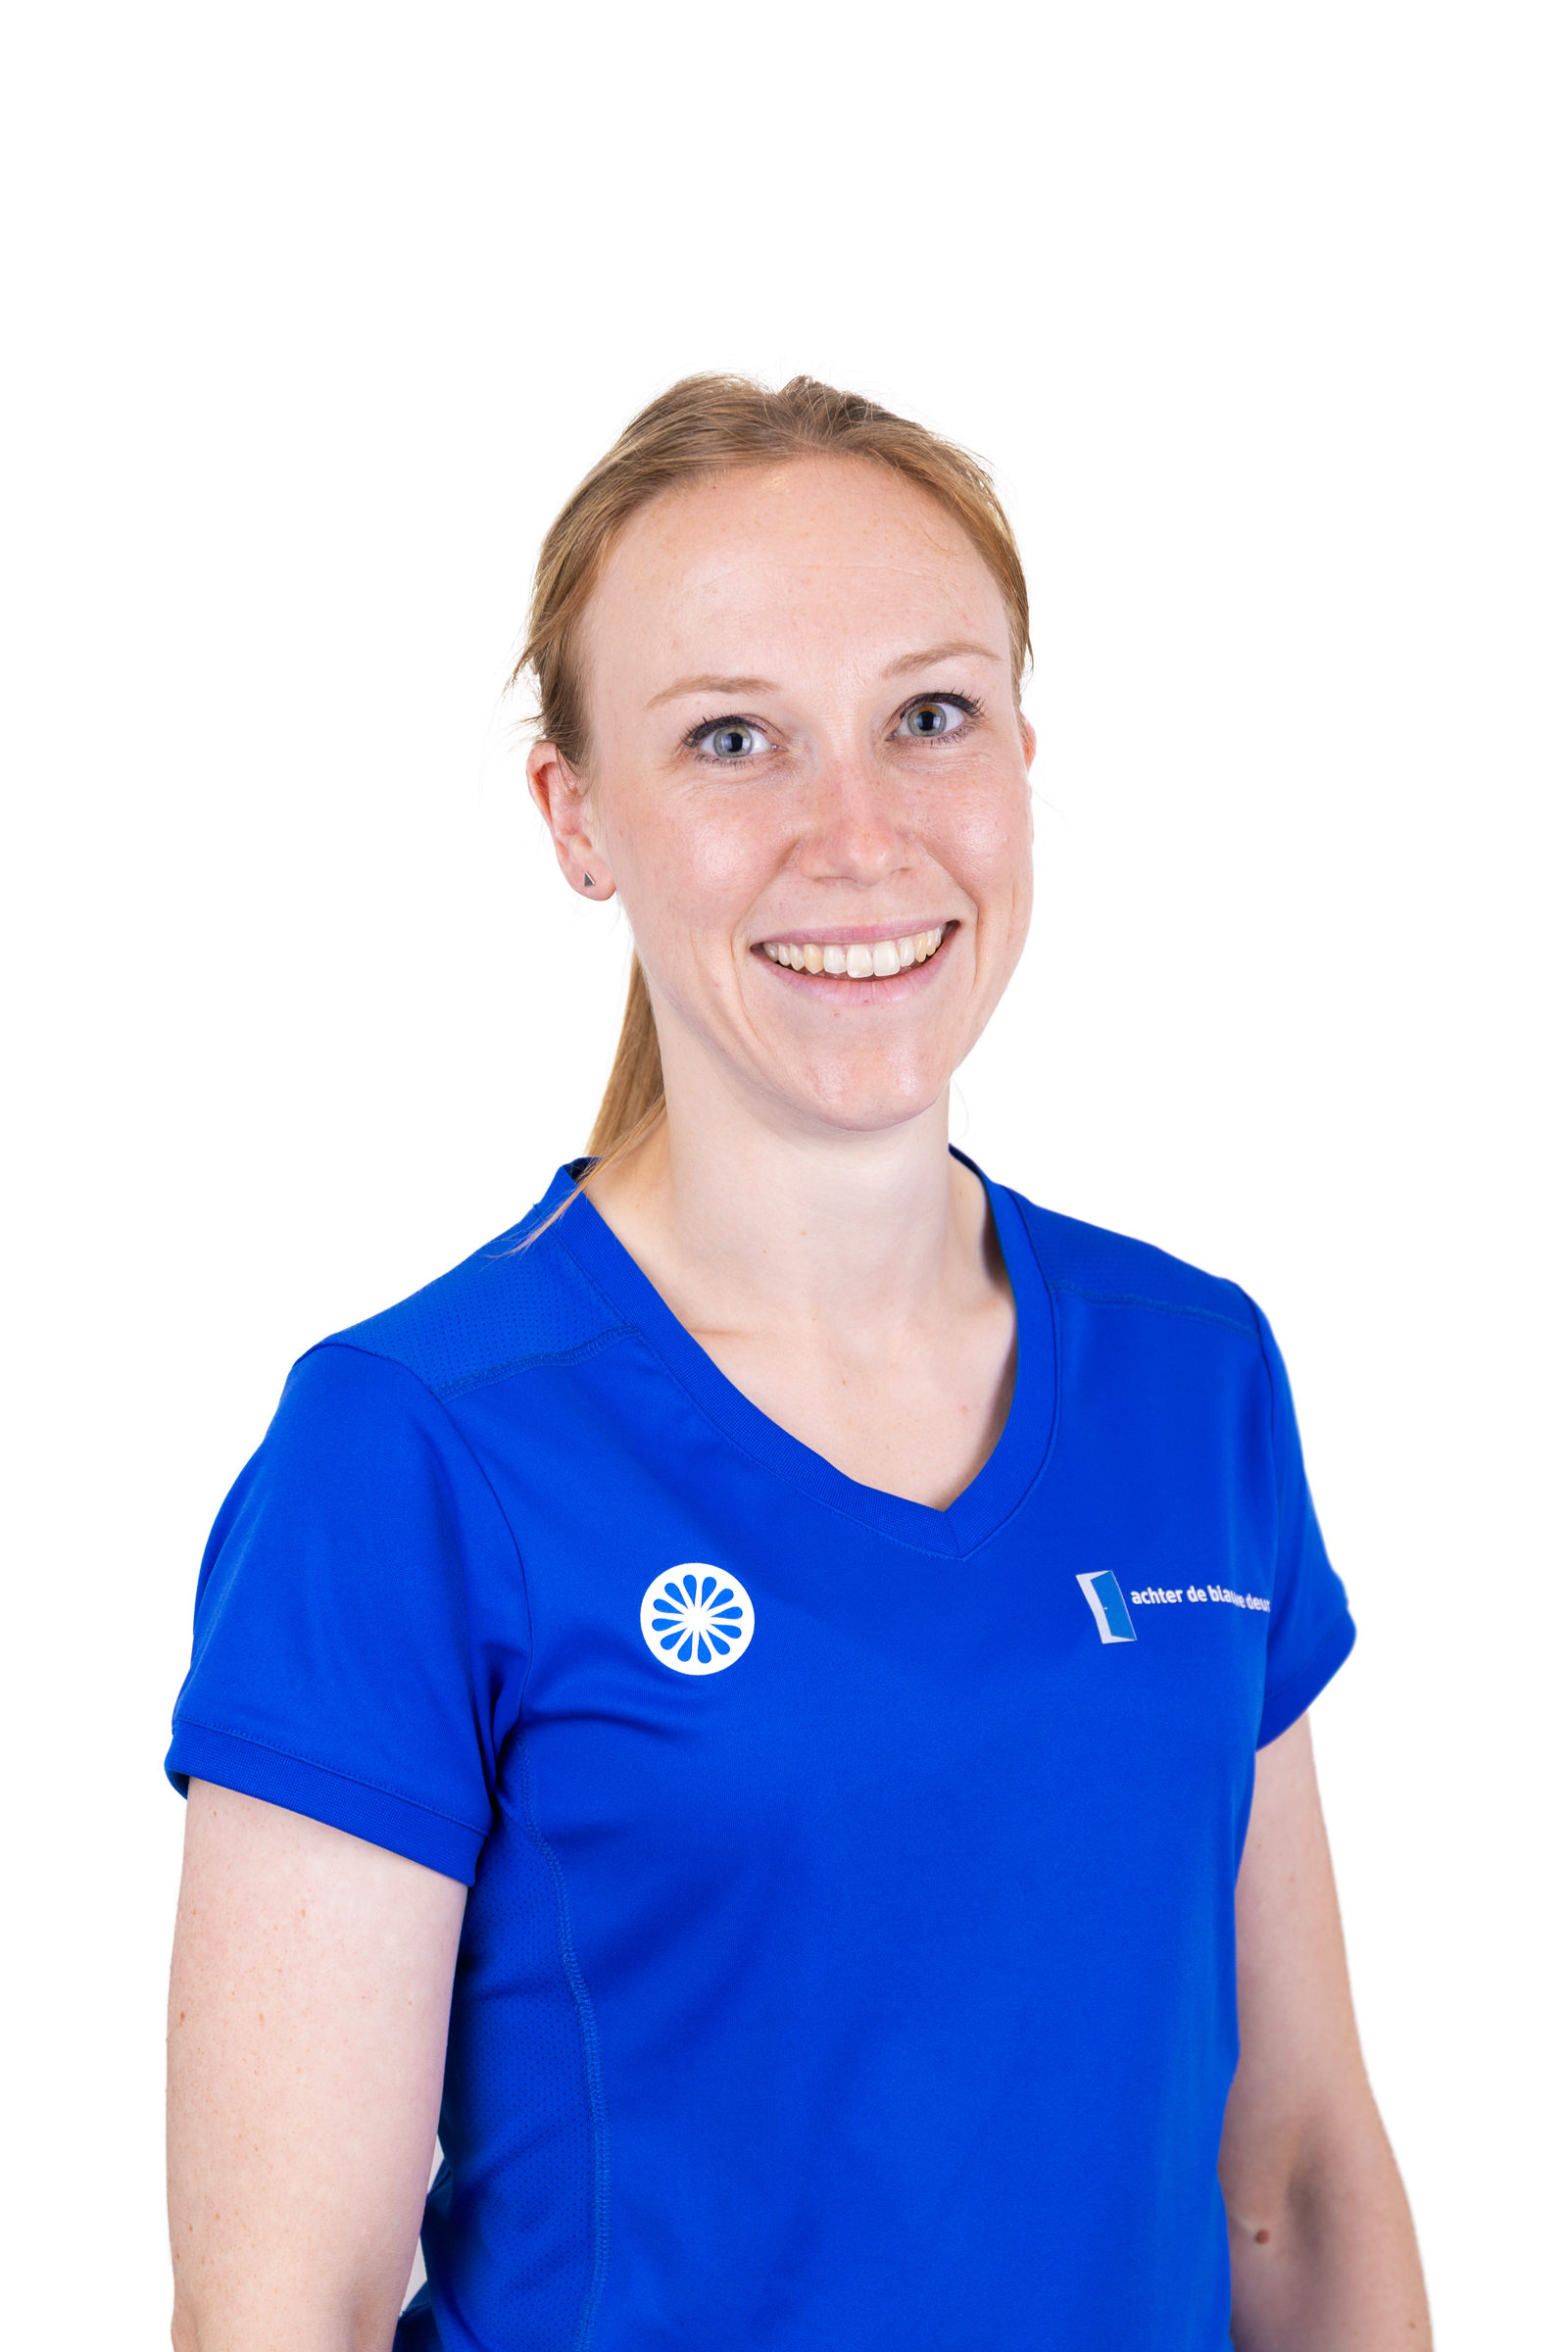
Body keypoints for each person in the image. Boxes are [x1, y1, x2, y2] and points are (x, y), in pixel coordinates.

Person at [165, 374, 1430, 2352]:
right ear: (576, 817)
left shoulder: (1196, 1382)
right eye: (731, 739)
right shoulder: (411, 1455)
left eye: (928, 716)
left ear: (1023, 754)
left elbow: (1293, 2179)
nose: (858, 835)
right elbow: (278, 2304)